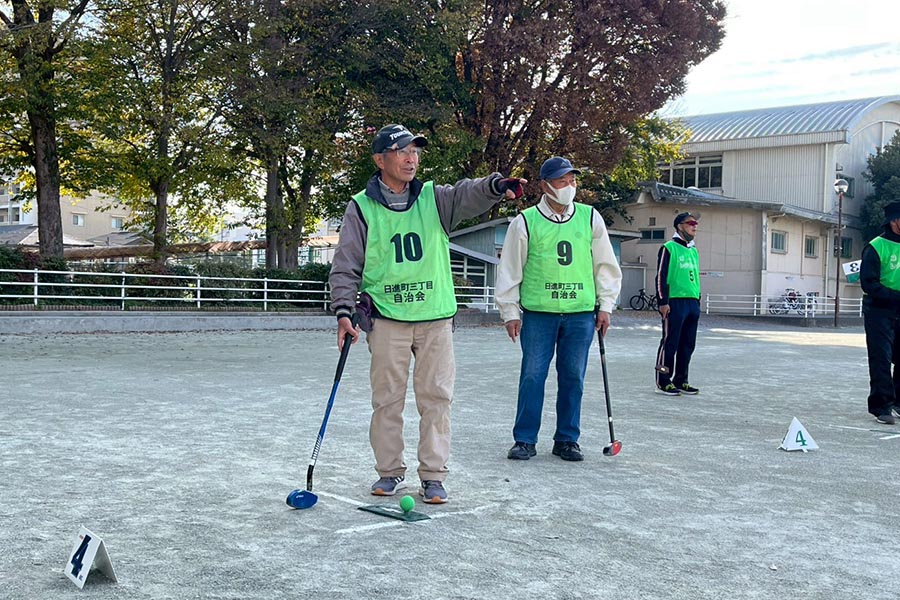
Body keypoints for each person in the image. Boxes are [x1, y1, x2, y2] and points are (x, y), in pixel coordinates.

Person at [329, 124, 525, 503]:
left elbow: (468, 193)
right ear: (380, 159)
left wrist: (496, 186)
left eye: (415, 152)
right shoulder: (361, 206)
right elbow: (345, 263)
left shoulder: (436, 198)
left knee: (436, 398)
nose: (411, 158)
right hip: (386, 319)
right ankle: (389, 472)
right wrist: (342, 310)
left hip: (435, 318)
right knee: (386, 400)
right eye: (402, 151)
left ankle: (434, 475)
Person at [495, 156, 622, 462]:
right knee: (532, 376)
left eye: (572, 180)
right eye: (562, 180)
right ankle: (524, 438)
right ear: (545, 185)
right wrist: (510, 311)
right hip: (539, 313)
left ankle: (567, 438)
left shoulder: (590, 217)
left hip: (580, 313)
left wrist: (606, 305)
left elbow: (604, 265)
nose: (569, 186)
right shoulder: (525, 221)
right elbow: (510, 269)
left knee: (573, 377)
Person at [860, 200, 900, 425]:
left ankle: (899, 402)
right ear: (894, 221)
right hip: (879, 311)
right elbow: (869, 284)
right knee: (881, 358)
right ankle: (881, 406)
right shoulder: (876, 247)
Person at [655, 212, 701, 396]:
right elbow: (660, 276)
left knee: (688, 344)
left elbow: (695, 276)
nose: (694, 226)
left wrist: (698, 299)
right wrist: (663, 301)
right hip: (674, 302)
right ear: (680, 226)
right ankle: (663, 380)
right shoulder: (668, 248)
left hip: (692, 302)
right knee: (670, 342)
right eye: (690, 223)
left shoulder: (693, 250)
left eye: (696, 223)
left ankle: (681, 380)